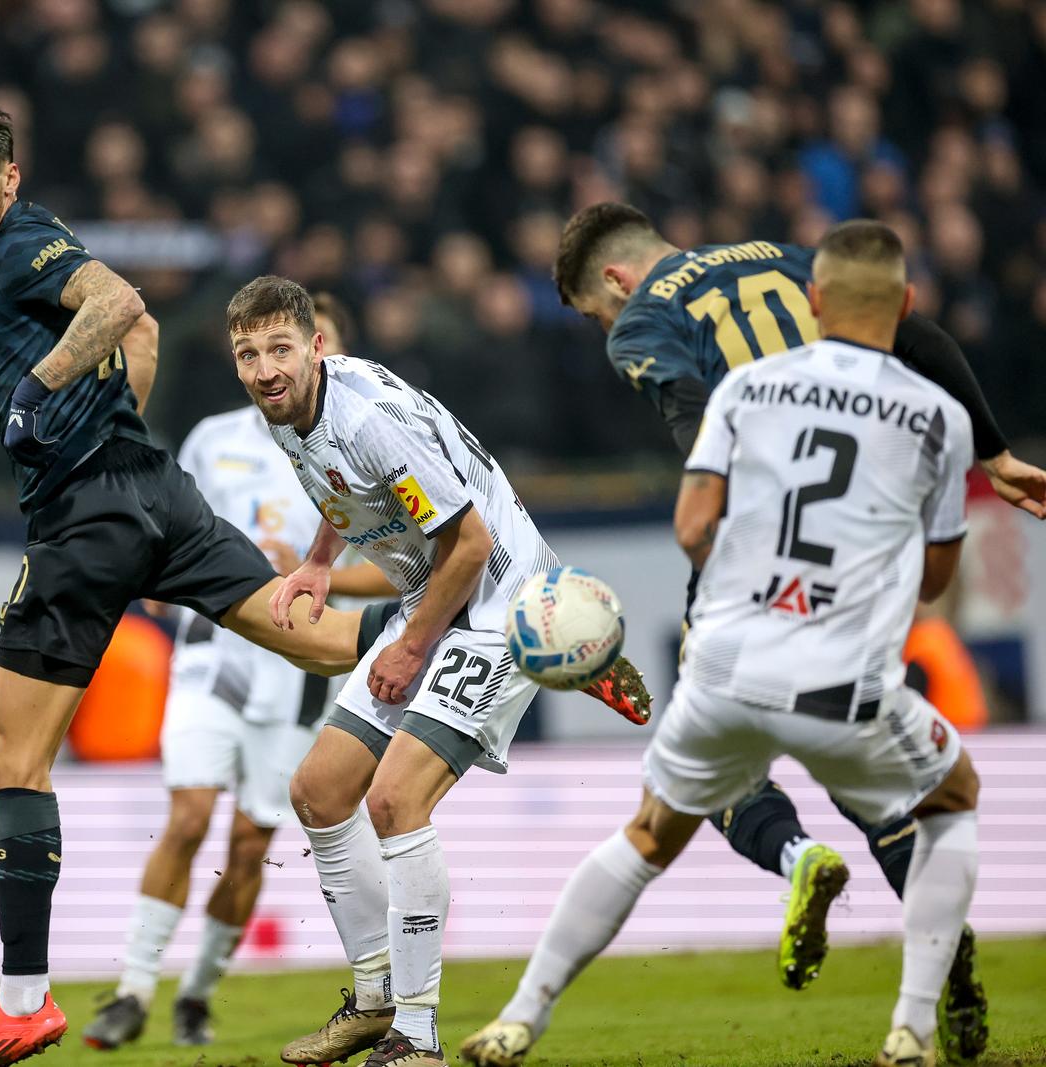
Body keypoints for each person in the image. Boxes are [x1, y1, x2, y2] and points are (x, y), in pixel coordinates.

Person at [0, 99, 372, 1067]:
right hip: (155, 492)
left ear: (9, 178)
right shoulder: (27, 249)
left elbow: (121, 304)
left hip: (84, 517)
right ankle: (484, 639)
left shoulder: (15, 247)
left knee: (13, 761)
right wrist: (115, 430)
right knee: (316, 634)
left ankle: (22, 1002)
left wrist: (42, 392)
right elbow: (147, 332)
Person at [462, 219, 982, 1067]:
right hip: (843, 656)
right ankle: (917, 1021)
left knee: (650, 830)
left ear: (818, 301)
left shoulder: (740, 393)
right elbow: (931, 583)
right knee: (936, 795)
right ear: (902, 306)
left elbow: (693, 522)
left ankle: (521, 1015)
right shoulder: (937, 419)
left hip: (734, 639)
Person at [225, 275, 642, 1067]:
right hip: (435, 594)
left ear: (318, 346)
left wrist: (411, 646)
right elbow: (339, 488)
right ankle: (375, 999)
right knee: (317, 790)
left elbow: (472, 543)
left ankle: (417, 1038)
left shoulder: (371, 420)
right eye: (247, 354)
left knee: (395, 798)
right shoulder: (288, 409)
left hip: (496, 606)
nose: (264, 368)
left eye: (280, 348)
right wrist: (319, 562)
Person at [83, 299, 395, 1052]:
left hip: (297, 669)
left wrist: (310, 576)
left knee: (252, 842)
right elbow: (162, 525)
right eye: (258, 355)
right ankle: (131, 988)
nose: (276, 370)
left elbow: (395, 569)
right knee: (188, 815)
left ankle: (198, 991)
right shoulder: (213, 440)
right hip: (211, 650)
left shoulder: (361, 447)